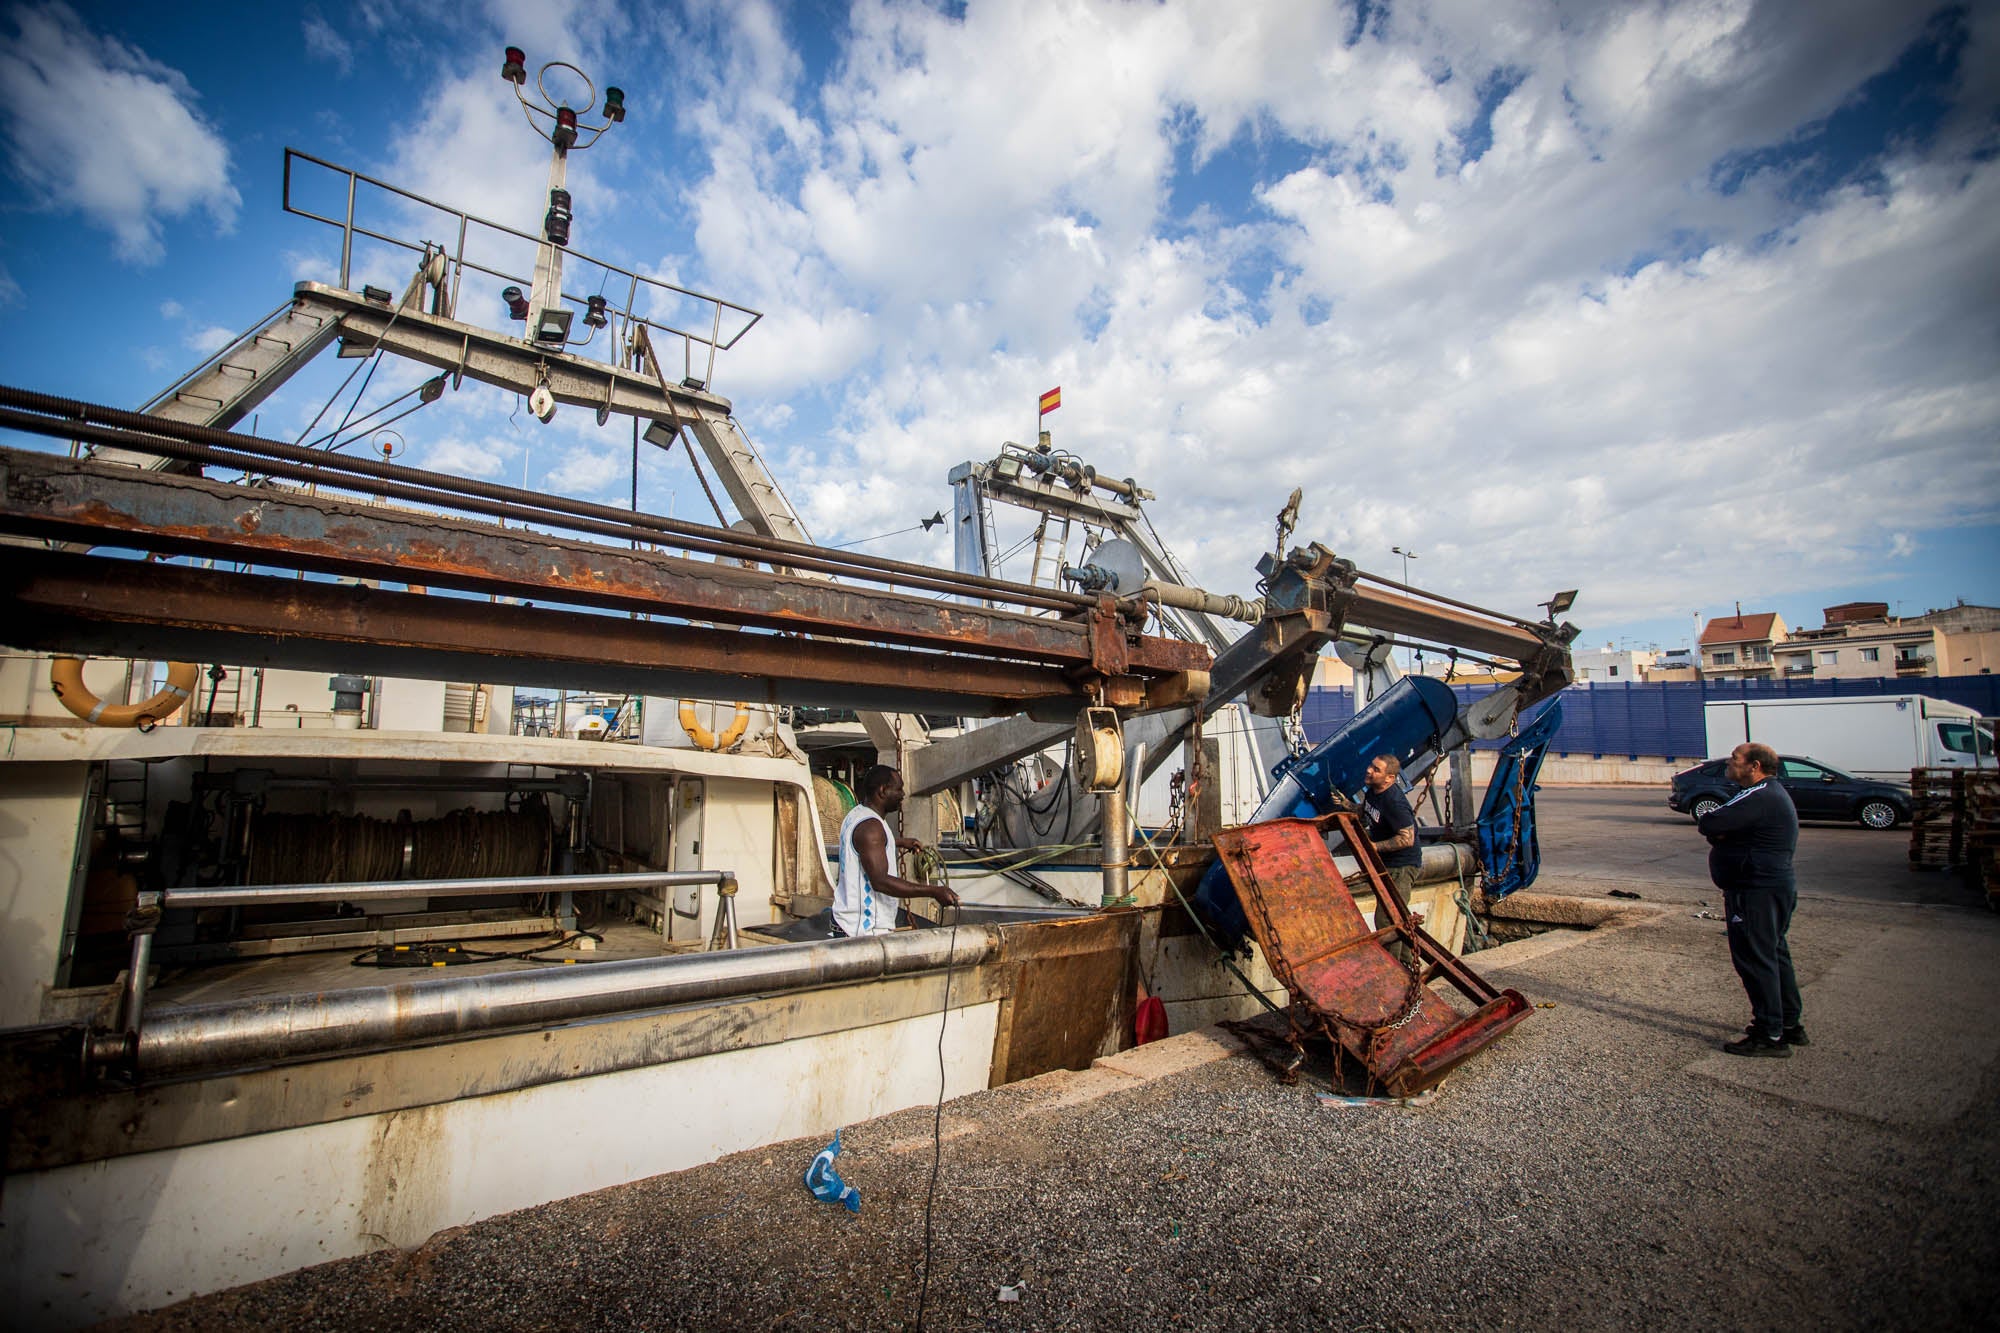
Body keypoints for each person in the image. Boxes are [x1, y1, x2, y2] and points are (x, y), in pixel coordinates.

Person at [1698, 742, 1805, 1058]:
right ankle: (1788, 1024)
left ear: (1755, 766)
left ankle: (1769, 1034)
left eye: (1735, 758)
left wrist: (1721, 834)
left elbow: (1710, 822)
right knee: (1773, 954)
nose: (1729, 763)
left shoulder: (1759, 795)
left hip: (1755, 891)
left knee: (1756, 960)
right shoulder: (1769, 794)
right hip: (1771, 887)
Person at [834, 764, 959, 937]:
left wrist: (899, 842)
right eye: (898, 789)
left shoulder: (857, 814)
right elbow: (880, 881)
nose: (903, 795)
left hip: (847, 921)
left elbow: (868, 846)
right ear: (883, 791)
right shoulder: (871, 828)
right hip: (862, 930)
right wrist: (934, 891)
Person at [1358, 754, 1423, 928]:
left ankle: (1394, 957)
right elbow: (1366, 813)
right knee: (1394, 919)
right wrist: (1346, 805)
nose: (1369, 770)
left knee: (1389, 921)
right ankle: (1405, 957)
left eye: (1376, 769)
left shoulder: (1394, 802)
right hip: (1388, 864)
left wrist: (1374, 847)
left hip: (1402, 867)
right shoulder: (1372, 791)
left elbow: (1406, 839)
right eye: (1371, 765)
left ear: (1389, 778)